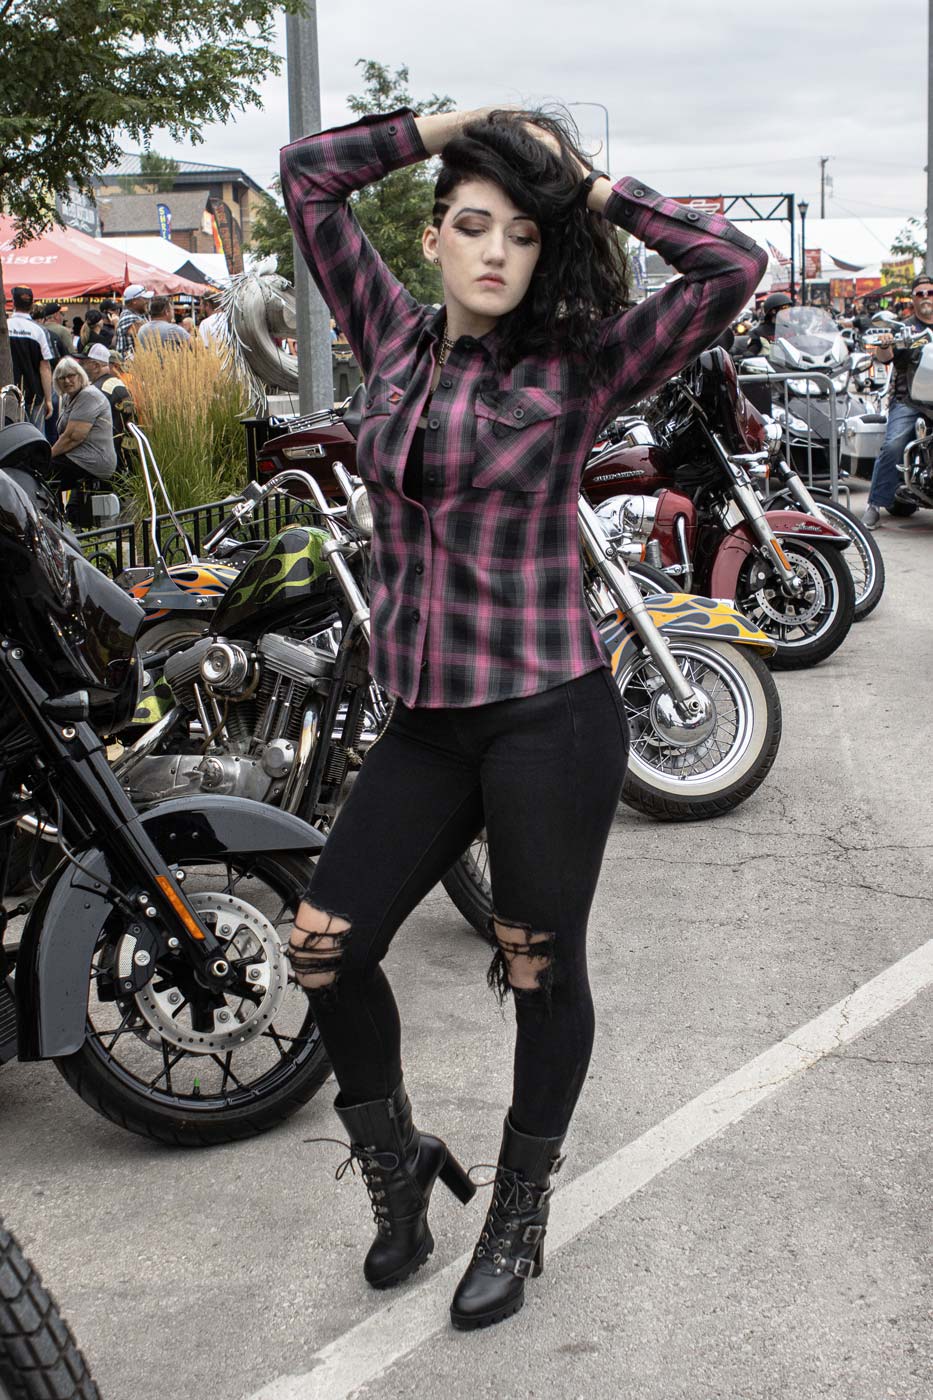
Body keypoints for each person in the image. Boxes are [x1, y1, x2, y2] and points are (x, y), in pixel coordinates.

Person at [280, 104, 766, 1329]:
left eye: (522, 232)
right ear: (433, 236)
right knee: (324, 946)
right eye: (473, 224)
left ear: (545, 247)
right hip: (427, 720)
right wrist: (457, 121)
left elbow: (732, 265)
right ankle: (401, 1169)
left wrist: (587, 188)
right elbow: (308, 175)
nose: (496, 251)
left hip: (550, 713)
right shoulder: (386, 333)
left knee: (536, 962)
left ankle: (518, 1207)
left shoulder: (580, 363)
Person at [862, 271, 933, 528]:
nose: (925, 297)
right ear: (913, 299)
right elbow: (885, 358)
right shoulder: (903, 328)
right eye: (920, 293)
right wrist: (884, 344)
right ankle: (874, 505)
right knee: (893, 444)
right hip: (909, 399)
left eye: (930, 292)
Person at [48, 356, 117, 519]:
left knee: (46, 472)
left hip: (94, 459)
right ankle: (60, 516)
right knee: (44, 471)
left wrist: (47, 455)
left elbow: (73, 437)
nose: (67, 381)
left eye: (71, 375)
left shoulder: (88, 396)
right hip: (78, 456)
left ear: (80, 375)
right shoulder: (68, 397)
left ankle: (54, 519)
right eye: (62, 378)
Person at [74, 343, 135, 470]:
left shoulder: (95, 392)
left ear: (96, 366)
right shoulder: (120, 385)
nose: (80, 367)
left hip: (102, 462)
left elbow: (78, 434)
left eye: (83, 363)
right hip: (125, 460)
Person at [7, 285, 53, 428]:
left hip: (6, 393)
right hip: (34, 395)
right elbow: (45, 367)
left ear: (13, 303)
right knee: (34, 435)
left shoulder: (4, 328)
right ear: (32, 305)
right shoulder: (39, 331)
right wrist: (49, 399)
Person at [746, 290, 794, 356]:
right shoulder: (759, 333)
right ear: (773, 311)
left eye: (789, 308)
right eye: (784, 308)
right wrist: (749, 353)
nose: (788, 311)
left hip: (796, 362)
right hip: (773, 362)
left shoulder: (795, 329)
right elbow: (753, 349)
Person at [114, 285, 152, 357]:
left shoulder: (137, 315)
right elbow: (149, 340)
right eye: (144, 298)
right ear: (134, 301)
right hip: (131, 362)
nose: (148, 301)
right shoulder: (131, 318)